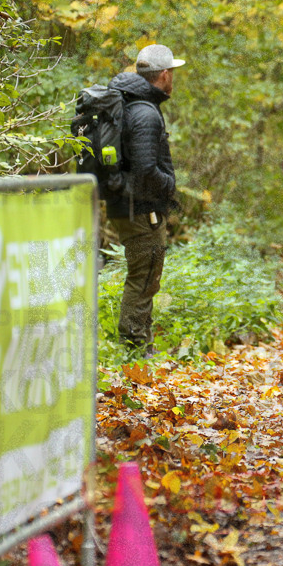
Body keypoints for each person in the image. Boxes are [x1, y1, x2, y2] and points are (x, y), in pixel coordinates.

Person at [106, 43, 182, 352]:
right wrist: (169, 185)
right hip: (141, 209)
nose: (173, 79)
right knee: (145, 277)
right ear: (164, 75)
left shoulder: (130, 104)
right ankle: (135, 348)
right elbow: (145, 167)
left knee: (145, 275)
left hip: (127, 204)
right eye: (172, 74)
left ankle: (141, 345)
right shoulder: (144, 113)